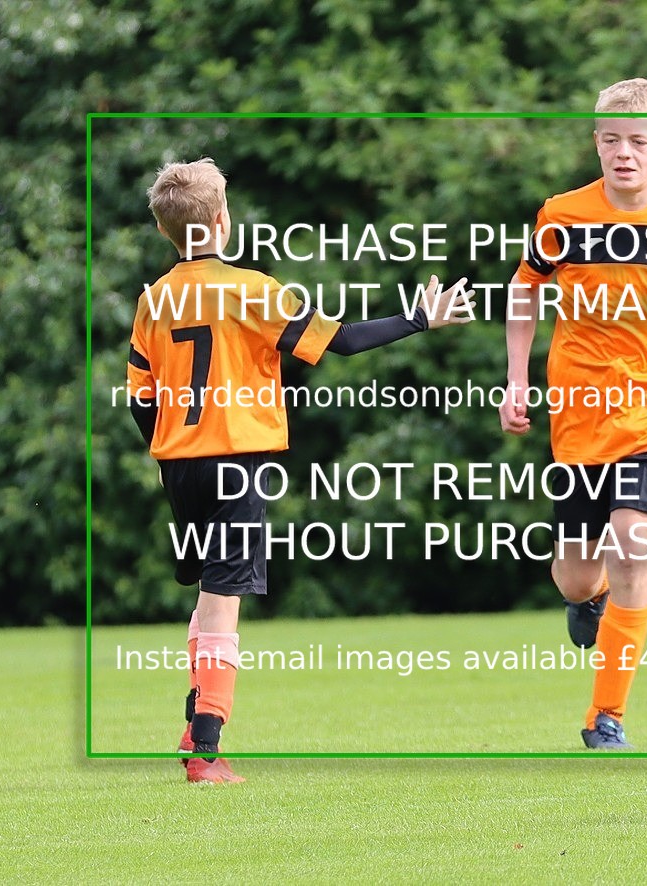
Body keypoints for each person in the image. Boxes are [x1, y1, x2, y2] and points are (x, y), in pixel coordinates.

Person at [126, 158, 473, 782]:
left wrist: (177, 447)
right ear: (223, 222)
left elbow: (139, 400)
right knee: (224, 600)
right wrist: (419, 319)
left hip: (179, 466)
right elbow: (336, 341)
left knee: (210, 595)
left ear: (166, 232)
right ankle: (205, 749)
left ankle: (193, 720)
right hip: (236, 461)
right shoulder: (251, 289)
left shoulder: (152, 301)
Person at [499, 79, 647, 749]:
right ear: (597, 144)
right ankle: (583, 602)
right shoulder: (561, 216)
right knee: (575, 570)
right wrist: (515, 381)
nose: (624, 154)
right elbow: (524, 293)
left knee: (632, 547)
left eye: (638, 142)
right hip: (578, 414)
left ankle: (606, 717)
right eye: (611, 141)